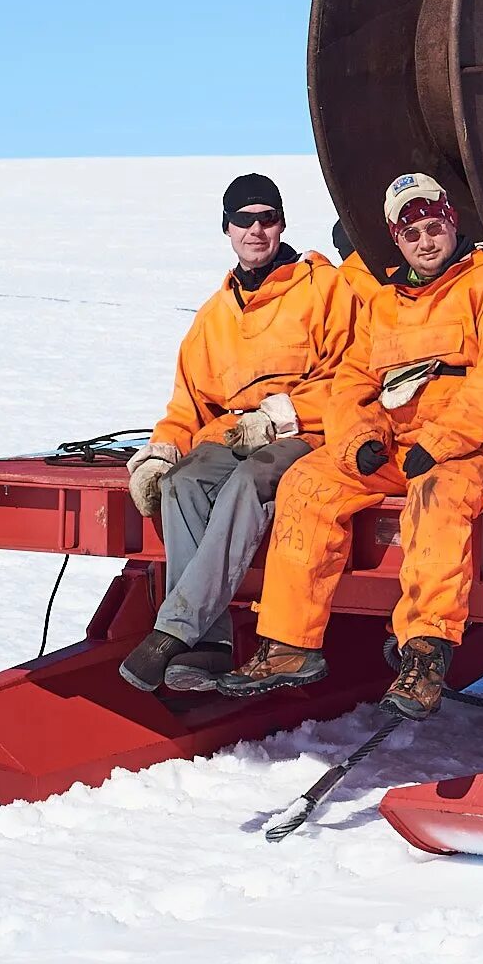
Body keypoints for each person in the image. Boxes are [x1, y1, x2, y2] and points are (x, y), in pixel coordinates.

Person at [220, 173, 483, 718]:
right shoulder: (385, 304)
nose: (425, 242)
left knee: (439, 494)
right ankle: (288, 644)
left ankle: (425, 653)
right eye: (411, 234)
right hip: (404, 446)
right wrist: (359, 439)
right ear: (395, 241)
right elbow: (351, 384)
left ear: (451, 223)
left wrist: (447, 441)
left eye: (433, 227)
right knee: (308, 481)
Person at [115, 175, 356, 693]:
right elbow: (189, 404)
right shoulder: (213, 317)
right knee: (184, 482)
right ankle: (209, 645)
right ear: (226, 228)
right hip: (236, 435)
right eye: (244, 220)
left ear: (282, 224)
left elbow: (350, 378)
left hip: (310, 433)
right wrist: (161, 453)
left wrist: (280, 417)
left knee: (251, 481)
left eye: (266, 218)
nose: (256, 230)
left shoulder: (324, 289)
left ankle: (174, 630)